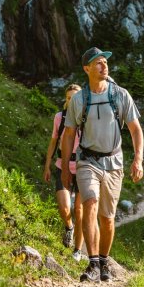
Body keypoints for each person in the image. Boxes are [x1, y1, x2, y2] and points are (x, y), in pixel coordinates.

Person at [61, 47, 144, 283]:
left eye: (105, 62)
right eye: (98, 62)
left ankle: (104, 260)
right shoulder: (79, 99)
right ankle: (93, 263)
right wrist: (66, 168)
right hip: (87, 161)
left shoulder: (120, 95)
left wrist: (138, 159)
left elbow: (136, 130)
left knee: (107, 218)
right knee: (90, 204)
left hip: (114, 163)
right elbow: (69, 135)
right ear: (87, 69)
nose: (103, 65)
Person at [43, 83, 84, 261]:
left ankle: (77, 250)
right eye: (69, 98)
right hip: (63, 166)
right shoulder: (59, 118)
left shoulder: (88, 118)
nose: (72, 101)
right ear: (66, 100)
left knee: (80, 210)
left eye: (76, 98)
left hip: (84, 168)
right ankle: (69, 228)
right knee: (64, 207)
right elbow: (53, 141)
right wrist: (47, 165)